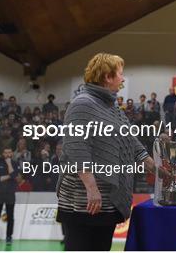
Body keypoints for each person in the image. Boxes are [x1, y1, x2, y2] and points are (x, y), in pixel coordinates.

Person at [56, 53, 160, 251]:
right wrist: (91, 188)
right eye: (120, 74)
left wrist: (150, 163)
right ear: (107, 77)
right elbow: (77, 147)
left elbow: (129, 139)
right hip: (84, 202)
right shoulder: (82, 103)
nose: (122, 79)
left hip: (106, 201)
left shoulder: (112, 106)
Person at [0, 147, 18, 246]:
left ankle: (9, 237)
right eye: (6, 153)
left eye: (9, 152)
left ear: (12, 153)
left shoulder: (14, 163)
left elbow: (15, 175)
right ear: (3, 153)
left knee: (10, 216)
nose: (8, 154)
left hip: (10, 194)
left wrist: (9, 164)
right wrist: (10, 175)